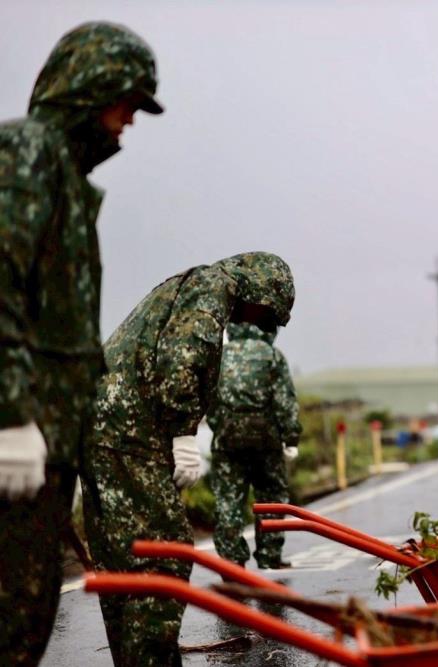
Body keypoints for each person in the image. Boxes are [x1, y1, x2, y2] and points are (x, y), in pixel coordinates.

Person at [0, 22, 163, 666]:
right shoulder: (29, 151)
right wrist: (10, 415)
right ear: (91, 90)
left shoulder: (64, 178)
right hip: (18, 441)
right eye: (126, 102)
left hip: (44, 450)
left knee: (26, 621)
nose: (129, 122)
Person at [81, 252, 294, 667]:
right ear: (262, 292)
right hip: (129, 432)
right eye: (266, 316)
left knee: (123, 558)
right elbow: (182, 356)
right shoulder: (215, 287)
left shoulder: (192, 284)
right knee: (165, 553)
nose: (255, 326)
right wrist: (183, 432)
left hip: (101, 426)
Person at [207, 319, 302, 569]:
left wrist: (220, 426)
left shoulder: (219, 356)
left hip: (227, 438)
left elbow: (209, 399)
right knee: (271, 495)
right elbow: (284, 401)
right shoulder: (271, 355)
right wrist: (291, 437)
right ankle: (270, 555)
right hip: (265, 439)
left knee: (228, 500)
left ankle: (232, 562)